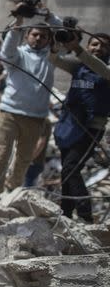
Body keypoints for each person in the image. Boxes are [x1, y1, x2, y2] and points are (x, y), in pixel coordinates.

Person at [0, 4, 61, 198]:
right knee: (0, 157)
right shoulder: (17, 55)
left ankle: (11, 194)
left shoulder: (52, 58)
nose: (38, 38)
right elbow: (8, 48)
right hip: (9, 113)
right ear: (26, 36)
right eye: (34, 34)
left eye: (43, 36)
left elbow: (60, 33)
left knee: (24, 160)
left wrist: (49, 16)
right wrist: (18, 19)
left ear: (48, 39)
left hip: (36, 118)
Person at [51, 32, 110, 222]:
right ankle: (66, 214)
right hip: (70, 126)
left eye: (103, 46)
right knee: (66, 170)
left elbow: (99, 68)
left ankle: (86, 216)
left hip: (91, 128)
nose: (98, 48)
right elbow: (53, 59)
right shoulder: (79, 66)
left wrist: (78, 49)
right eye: (94, 44)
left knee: (70, 167)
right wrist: (58, 43)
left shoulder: (106, 69)